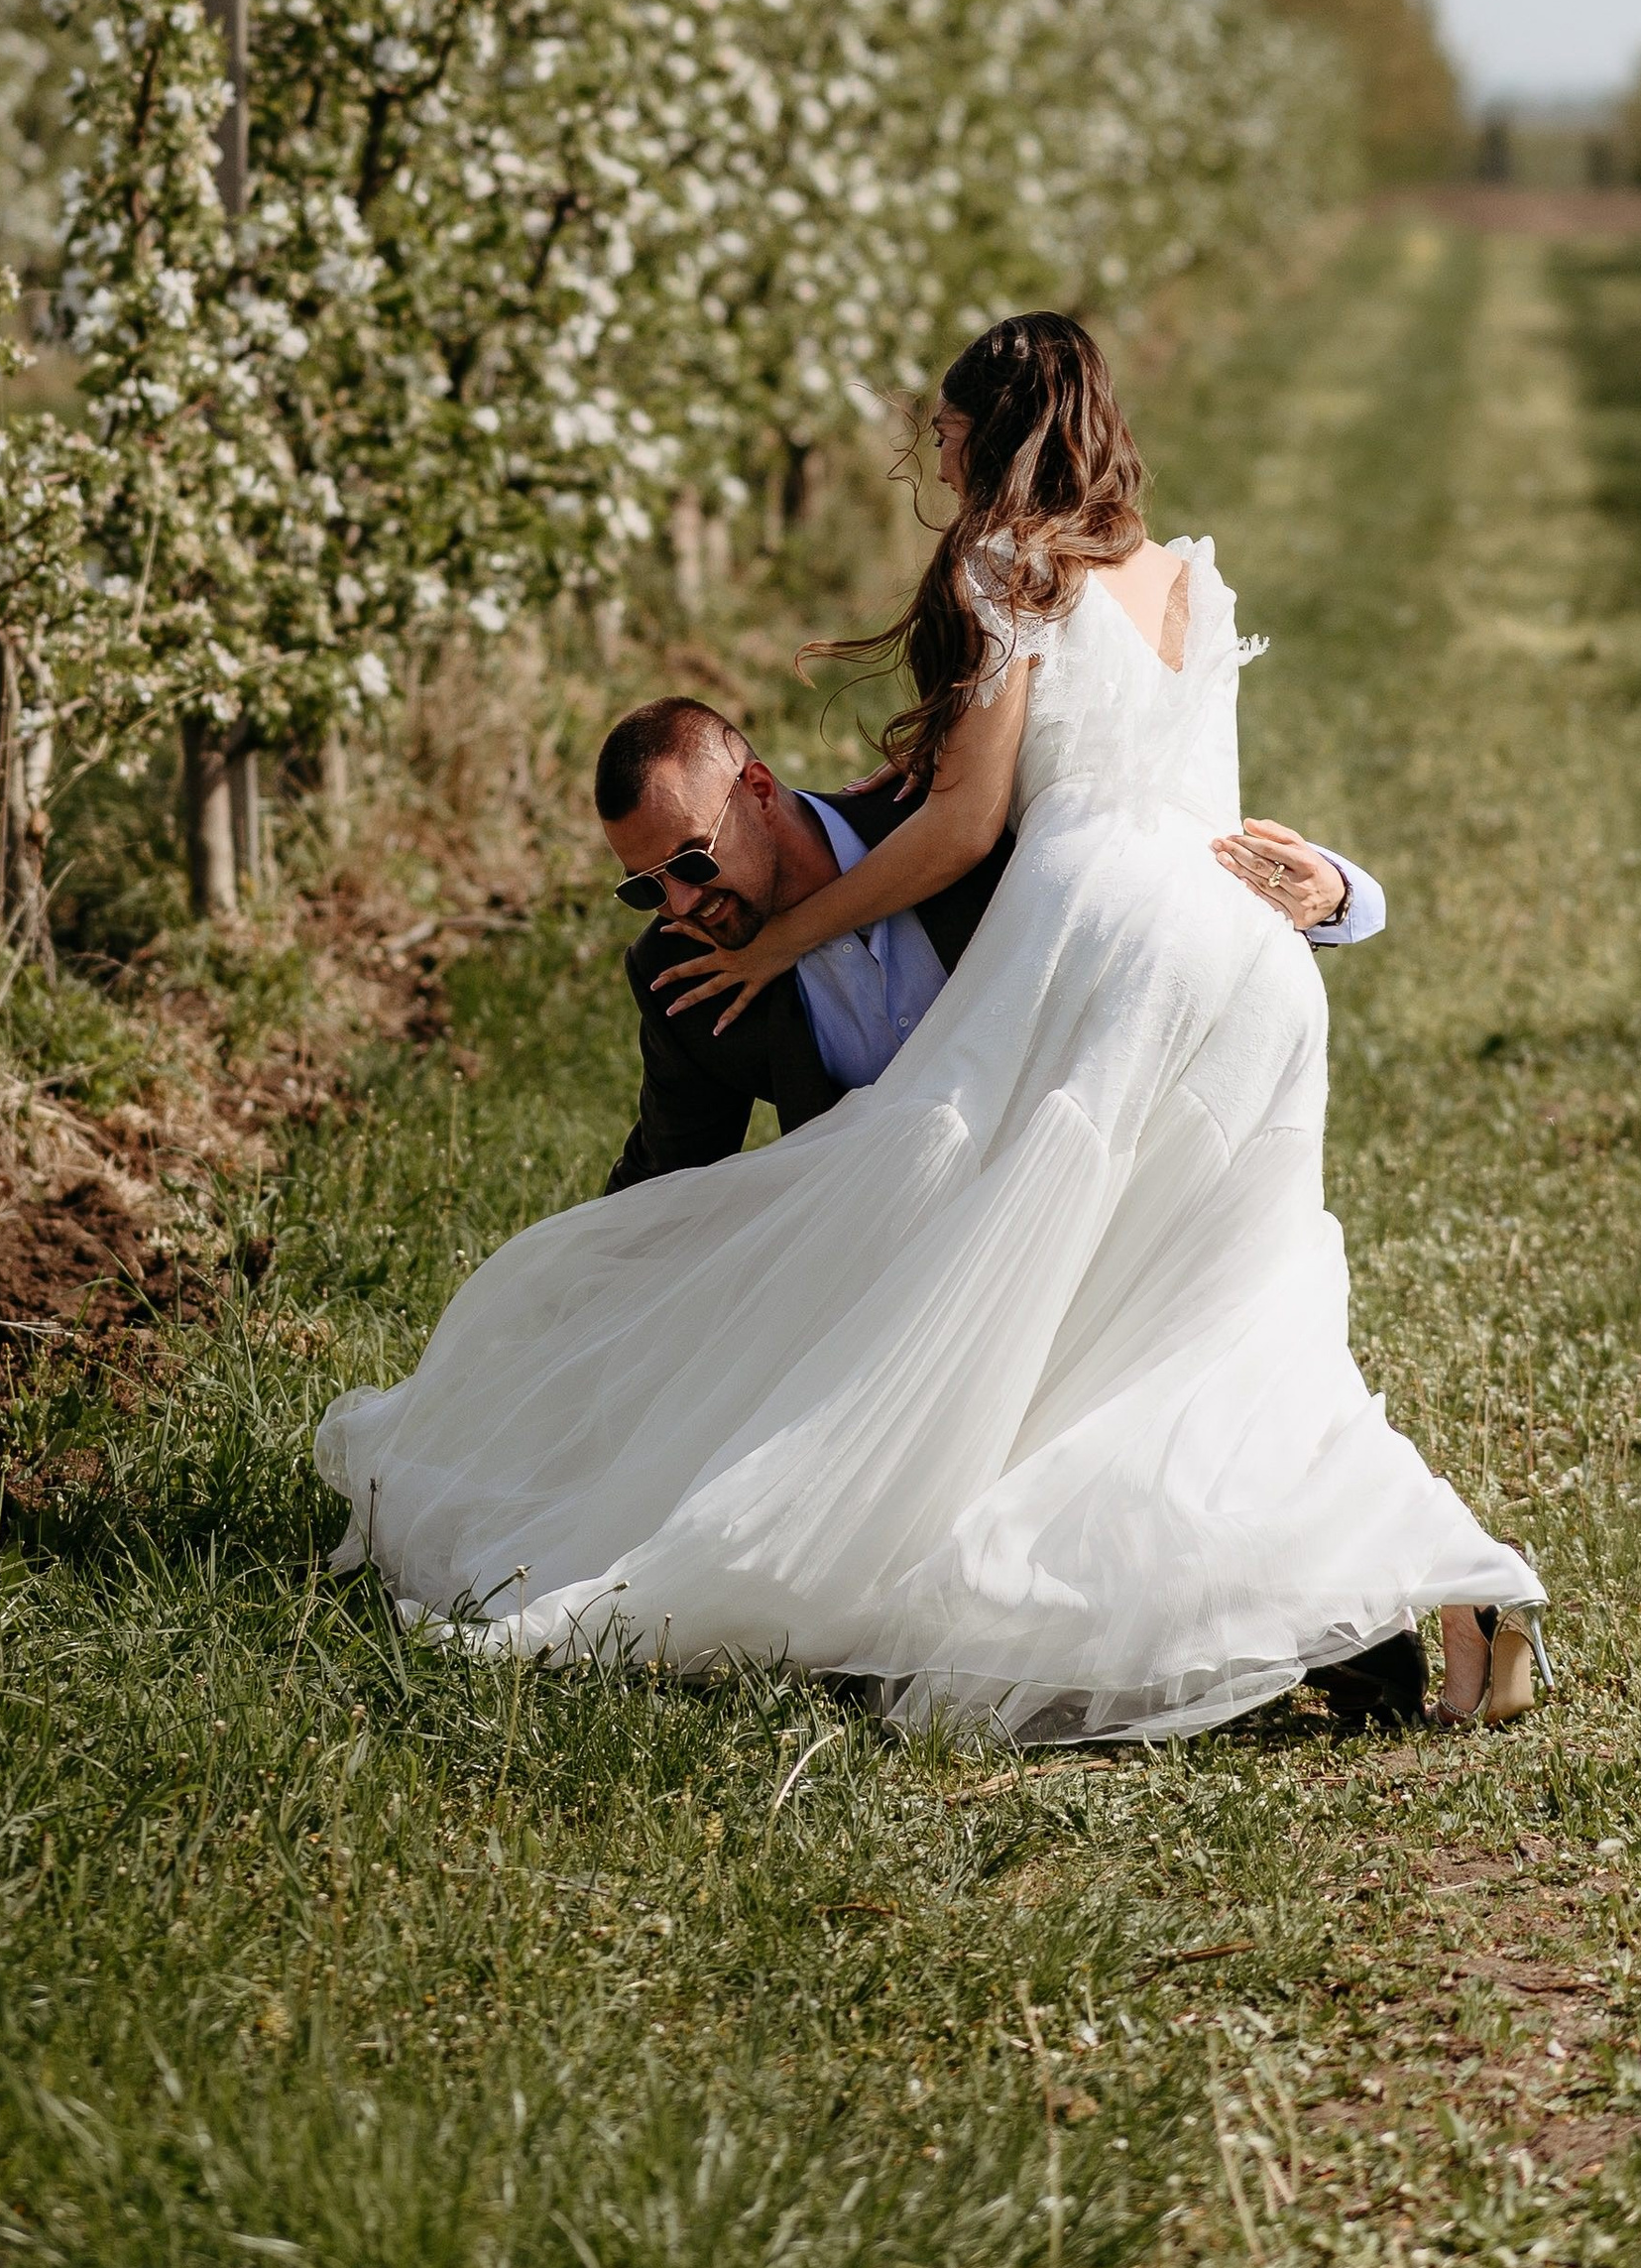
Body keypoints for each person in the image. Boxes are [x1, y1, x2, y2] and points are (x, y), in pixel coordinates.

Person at [316, 310, 1547, 1741]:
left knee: (1014, 1299)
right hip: (1250, 972)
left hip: (1104, 950)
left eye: (946, 437)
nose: (936, 460)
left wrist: (783, 938)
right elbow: (1204, 814)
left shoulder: (1000, 565)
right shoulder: (1182, 583)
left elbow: (964, 824)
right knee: (1225, 1312)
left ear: (988, 433)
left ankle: (1003, 1573)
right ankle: (1433, 1593)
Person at [595, 698, 1385, 1196]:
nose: (681, 904)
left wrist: (1339, 895)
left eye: (693, 860)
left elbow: (1165, 893)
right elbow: (667, 1178)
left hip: (1085, 1210)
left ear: (759, 791)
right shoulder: (676, 970)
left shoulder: (943, 824)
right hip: (884, 1278)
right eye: (645, 886)